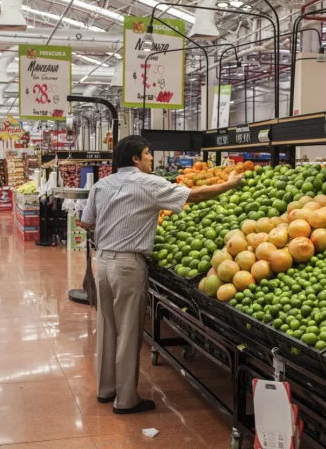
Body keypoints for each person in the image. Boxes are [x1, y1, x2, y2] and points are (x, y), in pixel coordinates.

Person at [79, 135, 242, 415]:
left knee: (107, 327)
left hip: (103, 262)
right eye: (148, 153)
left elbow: (84, 223)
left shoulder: (102, 184)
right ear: (135, 159)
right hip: (129, 265)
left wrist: (113, 226)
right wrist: (230, 184)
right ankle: (126, 400)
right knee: (129, 331)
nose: (151, 158)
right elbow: (195, 195)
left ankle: (106, 391)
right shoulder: (148, 183)